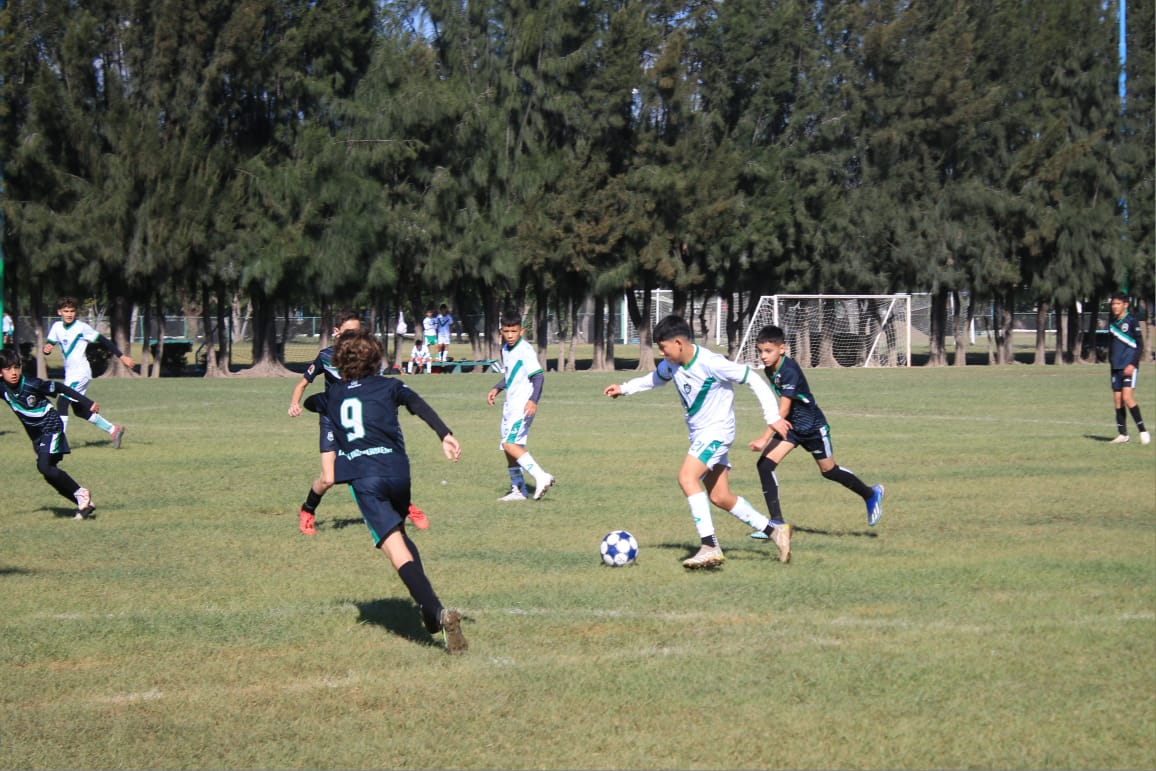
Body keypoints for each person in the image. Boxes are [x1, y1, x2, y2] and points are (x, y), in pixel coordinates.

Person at [303, 327, 467, 654]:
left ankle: (435, 610)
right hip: (398, 471)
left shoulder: (333, 396)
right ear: (376, 360)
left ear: (340, 364)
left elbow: (311, 402)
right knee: (401, 533)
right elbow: (416, 403)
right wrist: (444, 434)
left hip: (365, 477)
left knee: (395, 548)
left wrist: (325, 399)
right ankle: (428, 611)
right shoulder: (390, 385)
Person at [603, 315, 791, 568]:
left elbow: (753, 378)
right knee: (720, 496)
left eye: (663, 347)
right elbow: (655, 378)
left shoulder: (711, 363)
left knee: (687, 478)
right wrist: (625, 388)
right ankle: (775, 531)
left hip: (717, 432)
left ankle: (710, 546)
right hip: (701, 434)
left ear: (679, 343)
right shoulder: (672, 364)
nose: (661, 353)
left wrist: (772, 417)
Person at [289, 310, 429, 535]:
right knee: (328, 479)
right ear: (337, 332)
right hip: (332, 420)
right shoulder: (325, 356)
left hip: (359, 418)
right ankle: (307, 510)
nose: (355, 336)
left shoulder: (365, 355)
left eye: (358, 331)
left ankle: (405, 507)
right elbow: (302, 384)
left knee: (378, 465)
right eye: (350, 332)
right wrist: (294, 403)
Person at [746, 325, 885, 545]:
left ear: (782, 349)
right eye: (760, 351)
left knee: (829, 471)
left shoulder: (789, 370)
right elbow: (784, 407)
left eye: (768, 351)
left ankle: (871, 494)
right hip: (791, 427)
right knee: (765, 466)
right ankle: (777, 524)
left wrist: (764, 438)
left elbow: (783, 408)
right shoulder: (770, 369)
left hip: (812, 428)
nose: (763, 356)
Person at [1, 346, 99, 519]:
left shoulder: (32, 384)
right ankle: (84, 504)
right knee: (49, 473)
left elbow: (60, 387)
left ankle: (81, 493)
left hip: (51, 425)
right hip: (36, 435)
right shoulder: (2, 388)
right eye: (8, 369)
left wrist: (87, 402)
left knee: (44, 466)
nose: (14, 372)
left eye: (16, 367)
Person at [42, 297, 132, 447]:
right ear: (59, 312)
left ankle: (58, 443)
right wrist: (47, 349)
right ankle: (113, 430)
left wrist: (122, 356)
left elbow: (103, 340)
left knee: (62, 401)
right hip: (70, 374)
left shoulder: (81, 327)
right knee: (79, 410)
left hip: (81, 372)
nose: (69, 314)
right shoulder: (56, 327)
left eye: (72, 311)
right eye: (66, 311)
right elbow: (49, 345)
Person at [487, 308, 556, 502]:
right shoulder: (505, 349)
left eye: (514, 331)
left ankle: (541, 476)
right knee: (509, 448)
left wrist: (533, 400)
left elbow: (538, 376)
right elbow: (511, 374)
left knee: (509, 444)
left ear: (521, 331)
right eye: (506, 331)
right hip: (510, 406)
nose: (510, 335)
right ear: (501, 331)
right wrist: (497, 388)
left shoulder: (525, 350)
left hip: (522, 407)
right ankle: (518, 489)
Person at [1107, 292, 1150, 445]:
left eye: (1118, 304)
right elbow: (1112, 344)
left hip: (1129, 366)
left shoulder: (1132, 320)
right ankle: (1123, 434)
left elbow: (1140, 345)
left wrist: (1132, 364)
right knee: (1117, 400)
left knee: (1127, 398)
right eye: (1113, 304)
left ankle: (1143, 431)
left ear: (1125, 305)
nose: (1115, 306)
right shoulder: (1112, 322)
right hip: (1116, 366)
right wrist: (1111, 360)